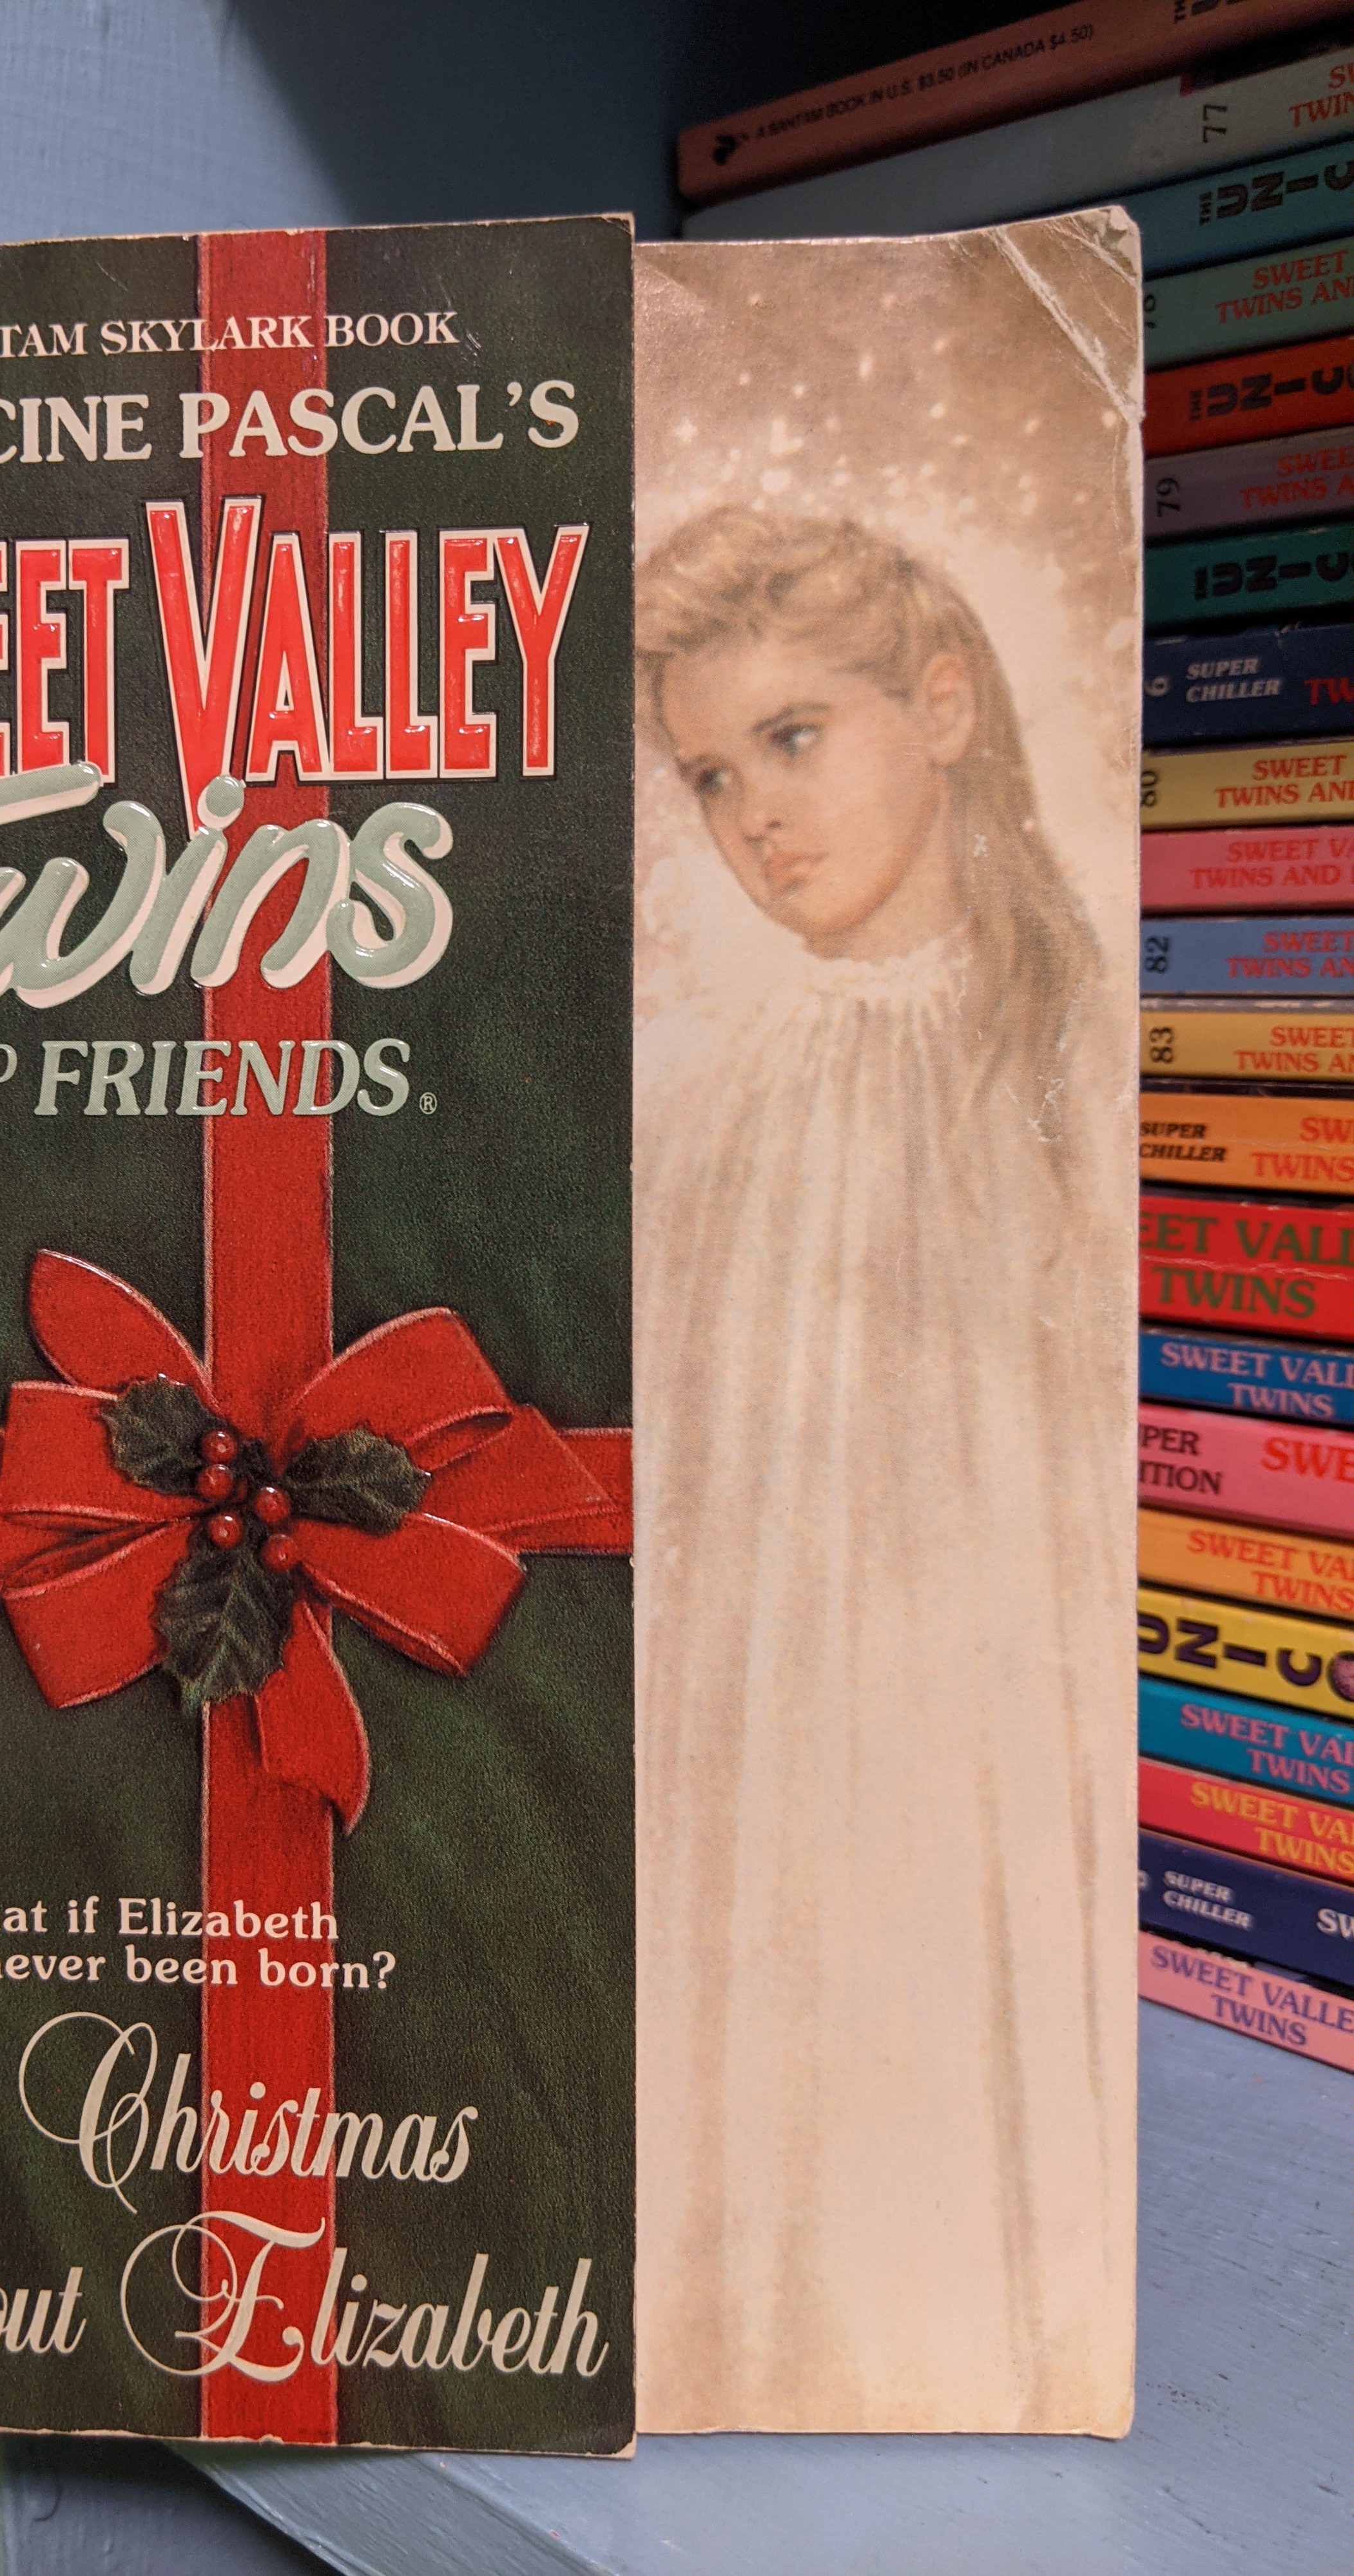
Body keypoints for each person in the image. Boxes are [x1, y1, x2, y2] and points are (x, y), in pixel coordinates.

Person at [635, 510, 1132, 2430]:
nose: (756, 814)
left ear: (940, 707)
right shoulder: (725, 1105)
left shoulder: (1076, 1059)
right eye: (710, 776)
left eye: (795, 738)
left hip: (994, 1753)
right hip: (773, 1760)